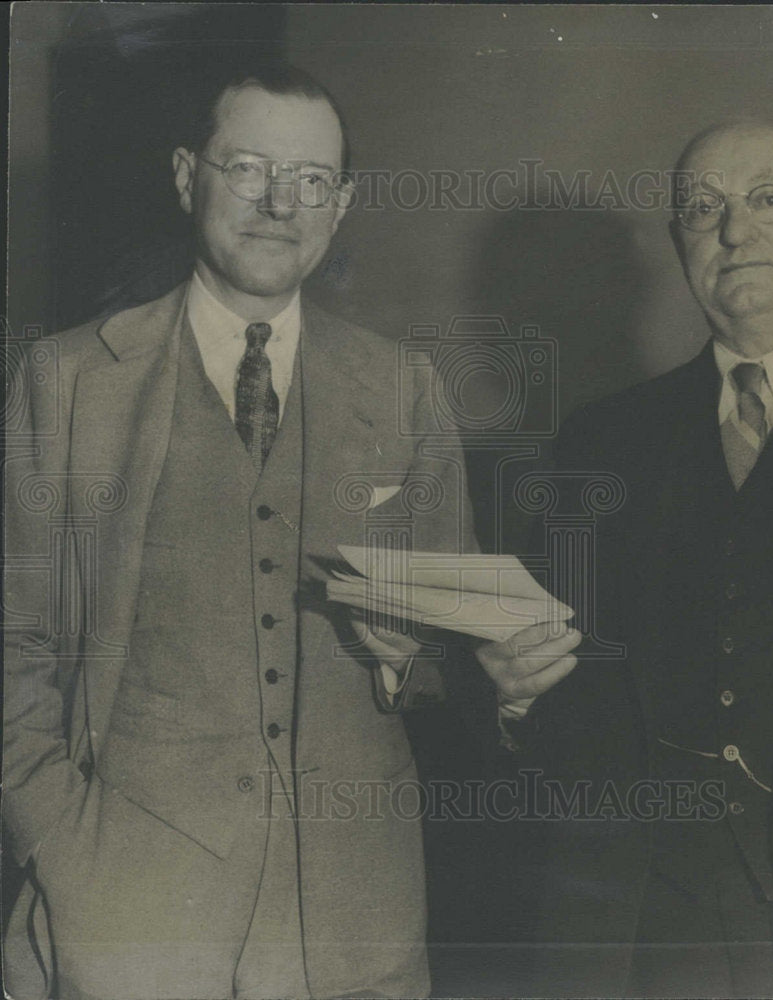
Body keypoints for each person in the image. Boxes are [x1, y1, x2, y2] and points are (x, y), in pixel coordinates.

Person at [2, 61, 573, 1000]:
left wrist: (434, 664)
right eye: (247, 168)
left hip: (353, 931)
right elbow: (12, 643)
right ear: (186, 176)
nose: (278, 203)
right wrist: (63, 845)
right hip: (129, 921)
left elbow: (451, 665)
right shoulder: (67, 383)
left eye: (311, 180)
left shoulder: (404, 390)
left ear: (339, 207)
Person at [478, 122, 773, 998]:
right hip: (653, 936)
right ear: (677, 242)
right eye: (702, 208)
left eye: (767, 200)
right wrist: (513, 695)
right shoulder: (601, 442)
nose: (734, 231)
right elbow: (563, 705)